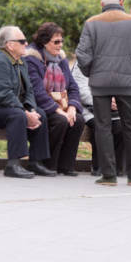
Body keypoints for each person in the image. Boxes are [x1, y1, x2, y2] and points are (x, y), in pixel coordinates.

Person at [75, 0, 131, 186]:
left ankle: (108, 174)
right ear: (122, 2)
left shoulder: (91, 23)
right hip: (127, 83)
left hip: (100, 83)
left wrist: (92, 73)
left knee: (103, 127)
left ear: (101, 4)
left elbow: (82, 55)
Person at [0, 26, 55, 179]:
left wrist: (31, 109)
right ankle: (13, 164)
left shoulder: (20, 61)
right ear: (9, 45)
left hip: (3, 106)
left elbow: (29, 90)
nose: (26, 43)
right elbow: (3, 94)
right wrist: (25, 113)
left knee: (40, 114)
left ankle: (36, 162)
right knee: (17, 116)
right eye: (22, 41)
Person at [24, 22, 84, 176]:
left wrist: (71, 107)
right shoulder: (32, 59)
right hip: (41, 105)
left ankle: (66, 165)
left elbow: (73, 87)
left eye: (62, 41)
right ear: (44, 42)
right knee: (61, 120)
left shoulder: (61, 59)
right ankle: (49, 163)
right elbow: (37, 91)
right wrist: (59, 111)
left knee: (78, 120)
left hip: (61, 103)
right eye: (56, 42)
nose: (60, 45)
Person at [72, 63, 126, 176]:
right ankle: (99, 166)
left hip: (112, 109)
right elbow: (80, 90)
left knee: (121, 126)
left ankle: (116, 166)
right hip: (88, 108)